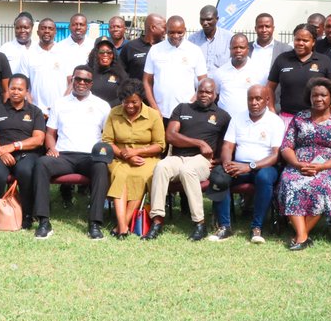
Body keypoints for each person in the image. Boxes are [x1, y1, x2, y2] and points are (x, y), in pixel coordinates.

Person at [31, 65, 112, 240]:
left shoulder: (102, 106)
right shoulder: (60, 103)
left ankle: (95, 224)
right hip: (63, 156)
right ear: (72, 80)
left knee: (100, 167)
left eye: (86, 80)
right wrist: (51, 148)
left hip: (90, 156)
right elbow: (50, 133)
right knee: (41, 163)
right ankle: (44, 221)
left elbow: (107, 135)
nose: (82, 83)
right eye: (78, 79)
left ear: (91, 83)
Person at [277, 78, 331, 251]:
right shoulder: (300, 118)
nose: (318, 99)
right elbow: (286, 147)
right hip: (300, 164)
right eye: (315, 95)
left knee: (320, 185)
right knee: (290, 182)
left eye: (323, 95)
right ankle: (302, 235)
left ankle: (300, 235)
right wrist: (297, 164)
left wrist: (323, 167)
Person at [150, 78, 231, 241]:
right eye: (201, 91)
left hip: (202, 160)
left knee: (188, 171)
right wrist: (199, 142)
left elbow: (226, 143)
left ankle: (200, 223)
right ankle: (157, 221)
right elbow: (171, 135)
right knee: (161, 167)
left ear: (215, 95)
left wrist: (221, 160)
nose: (204, 95)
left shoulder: (222, 116)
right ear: (196, 92)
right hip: (178, 156)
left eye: (208, 92)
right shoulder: (182, 108)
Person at [210, 84, 285, 243]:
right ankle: (224, 227)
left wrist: (250, 166)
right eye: (250, 99)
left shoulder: (275, 121)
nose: (254, 102)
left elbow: (275, 155)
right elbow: (228, 146)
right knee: (219, 176)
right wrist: (227, 164)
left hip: (265, 166)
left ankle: (256, 228)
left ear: (267, 100)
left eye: (258, 99)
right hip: (239, 165)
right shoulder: (238, 117)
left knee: (264, 178)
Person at [103, 78, 166, 239]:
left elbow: (160, 145)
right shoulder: (114, 113)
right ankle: (123, 227)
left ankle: (121, 226)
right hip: (120, 157)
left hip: (147, 158)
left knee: (140, 176)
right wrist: (125, 154)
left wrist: (137, 152)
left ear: (141, 100)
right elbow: (108, 141)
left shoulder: (153, 115)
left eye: (134, 102)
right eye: (125, 102)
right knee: (120, 175)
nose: (130, 106)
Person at [0, 73, 46, 230]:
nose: (16, 92)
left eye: (20, 89)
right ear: (8, 89)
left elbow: (38, 139)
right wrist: (0, 151)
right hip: (0, 153)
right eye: (13, 88)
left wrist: (14, 146)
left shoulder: (35, 112)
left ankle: (27, 214)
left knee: (26, 172)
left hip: (26, 153)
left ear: (26, 92)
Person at [143, 16, 207, 121]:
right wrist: (154, 107)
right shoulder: (155, 50)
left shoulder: (195, 51)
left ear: (185, 31)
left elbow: (203, 81)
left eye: (180, 32)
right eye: (171, 32)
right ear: (166, 31)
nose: (175, 36)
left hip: (186, 113)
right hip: (160, 112)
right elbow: (146, 81)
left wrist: (193, 102)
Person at [268, 24, 331, 122]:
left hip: (315, 119)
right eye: (297, 39)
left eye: (305, 40)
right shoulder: (282, 59)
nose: (300, 43)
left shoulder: (324, 61)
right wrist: (271, 109)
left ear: (313, 42)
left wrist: (329, 112)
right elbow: (270, 87)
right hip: (287, 118)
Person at [20, 18, 68, 117]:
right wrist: (33, 108)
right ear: (37, 32)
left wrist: (63, 105)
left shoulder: (65, 52)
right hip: (37, 112)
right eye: (43, 28)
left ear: (55, 32)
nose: (46, 31)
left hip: (61, 111)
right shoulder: (28, 54)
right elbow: (24, 85)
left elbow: (71, 82)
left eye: (50, 28)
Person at [214, 33, 264, 122]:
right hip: (224, 122)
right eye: (235, 47)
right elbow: (216, 95)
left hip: (249, 121)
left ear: (248, 49)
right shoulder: (220, 72)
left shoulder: (259, 71)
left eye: (242, 47)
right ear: (230, 49)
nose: (238, 50)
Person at [189, 5, 232, 72]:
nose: (205, 23)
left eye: (209, 19)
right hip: (199, 81)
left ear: (217, 19)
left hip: (220, 82)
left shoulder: (229, 38)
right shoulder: (193, 39)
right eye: (202, 19)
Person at [122, 13, 165, 81]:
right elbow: (121, 72)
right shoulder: (130, 47)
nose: (165, 31)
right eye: (164, 28)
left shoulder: (166, 48)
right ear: (153, 28)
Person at [250, 13, 292, 81]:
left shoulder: (285, 49)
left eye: (267, 26)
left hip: (274, 91)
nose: (264, 30)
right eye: (260, 27)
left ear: (273, 28)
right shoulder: (246, 48)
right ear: (255, 28)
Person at [88, 36, 128, 105]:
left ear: (113, 54)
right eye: (101, 52)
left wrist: (107, 107)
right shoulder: (87, 72)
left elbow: (125, 95)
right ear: (95, 53)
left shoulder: (121, 73)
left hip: (113, 112)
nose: (105, 55)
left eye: (109, 52)